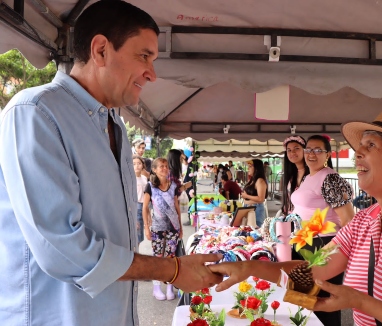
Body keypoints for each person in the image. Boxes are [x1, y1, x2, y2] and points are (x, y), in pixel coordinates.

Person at [0, 2, 222, 324]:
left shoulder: (114, 125)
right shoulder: (35, 113)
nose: (152, 73)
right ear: (101, 50)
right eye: (143, 56)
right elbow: (64, 249)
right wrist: (172, 269)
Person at [209, 109, 382, 326]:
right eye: (359, 145)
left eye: (370, 145)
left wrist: (359, 302)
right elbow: (309, 272)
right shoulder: (364, 221)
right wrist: (249, 269)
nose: (357, 153)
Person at [286, 134, 355, 325]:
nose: (312, 154)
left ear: (328, 154)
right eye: (308, 150)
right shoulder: (309, 177)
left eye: (318, 150)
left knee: (323, 302)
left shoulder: (330, 178)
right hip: (305, 242)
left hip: (324, 244)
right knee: (305, 301)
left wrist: (334, 251)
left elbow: (348, 220)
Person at [143, 158, 182, 301]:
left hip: (173, 227)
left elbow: (177, 207)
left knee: (171, 258)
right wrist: (147, 227)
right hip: (157, 228)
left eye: (166, 166)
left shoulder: (173, 187)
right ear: (154, 169)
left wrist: (180, 228)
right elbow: (145, 207)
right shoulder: (150, 186)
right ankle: (156, 287)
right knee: (158, 257)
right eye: (161, 166)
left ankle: (170, 286)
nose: (164, 168)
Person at [281, 135, 310, 215]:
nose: (292, 152)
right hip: (292, 219)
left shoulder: (313, 173)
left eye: (296, 148)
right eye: (289, 150)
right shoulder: (291, 175)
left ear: (305, 150)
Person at [241, 159, 268, 227]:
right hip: (248, 208)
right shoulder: (253, 180)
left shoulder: (260, 180)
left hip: (256, 209)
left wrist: (247, 196)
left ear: (256, 168)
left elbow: (261, 199)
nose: (248, 168)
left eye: (250, 167)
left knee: (256, 231)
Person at [133, 155, 148, 245]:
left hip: (144, 206)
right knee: (137, 234)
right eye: (134, 164)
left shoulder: (144, 178)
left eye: (139, 163)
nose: (137, 166)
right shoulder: (131, 179)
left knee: (140, 235)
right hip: (136, 206)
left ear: (142, 165)